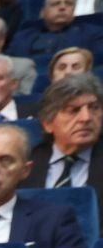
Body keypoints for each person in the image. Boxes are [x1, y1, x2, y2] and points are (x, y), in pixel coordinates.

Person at [23, 73, 103, 204]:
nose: (86, 117)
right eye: (73, 110)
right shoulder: (26, 163)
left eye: (94, 108)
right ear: (48, 123)